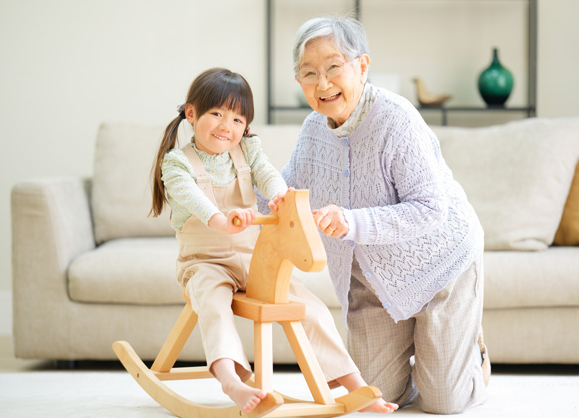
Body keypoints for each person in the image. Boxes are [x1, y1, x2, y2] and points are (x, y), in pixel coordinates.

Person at [150, 68, 397, 414]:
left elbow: (267, 174)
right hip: (203, 262)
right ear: (191, 114)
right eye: (217, 114)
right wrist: (222, 220)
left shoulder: (247, 150)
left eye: (237, 119)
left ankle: (356, 386)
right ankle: (231, 381)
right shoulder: (177, 163)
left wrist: (281, 196)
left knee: (310, 306)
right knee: (213, 303)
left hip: (252, 259)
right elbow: (192, 197)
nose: (226, 126)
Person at [281, 16, 491, 414]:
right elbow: (285, 194)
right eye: (309, 73)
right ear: (299, 82)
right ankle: (424, 361)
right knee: (373, 397)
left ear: (361, 66)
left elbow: (430, 207)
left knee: (443, 402)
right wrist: (231, 178)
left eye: (332, 67)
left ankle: (472, 358)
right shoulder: (313, 130)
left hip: (440, 264)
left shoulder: (396, 118)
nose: (322, 83)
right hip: (372, 285)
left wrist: (353, 222)